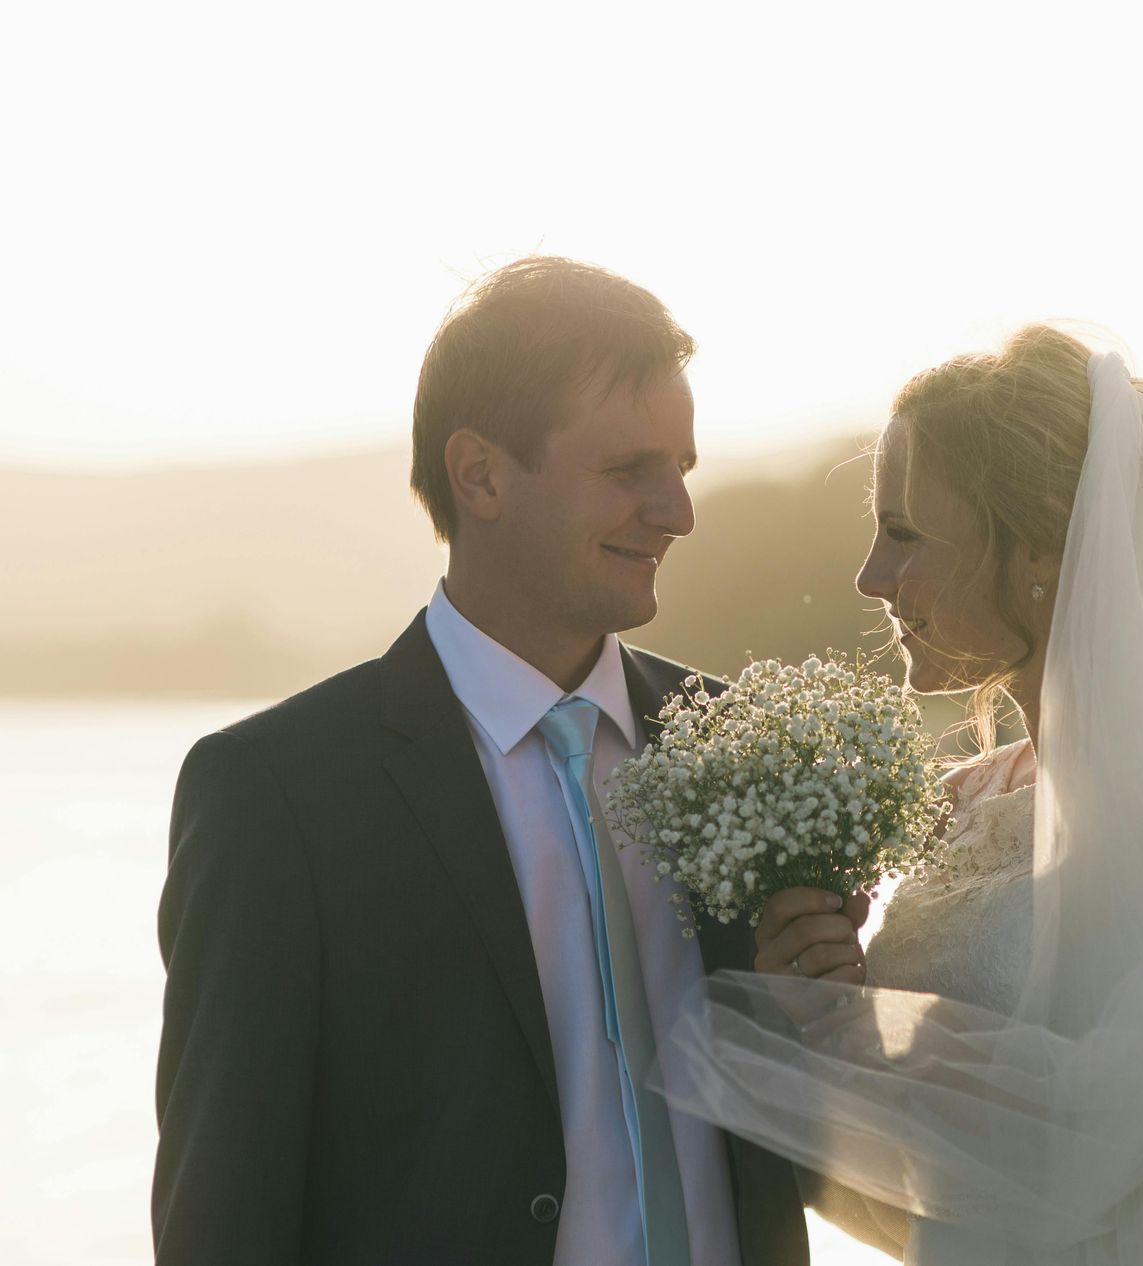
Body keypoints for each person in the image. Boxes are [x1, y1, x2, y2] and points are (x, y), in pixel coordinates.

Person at [154, 256, 851, 1265]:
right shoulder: (279, 796)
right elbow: (223, 1212)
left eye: (682, 470)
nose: (678, 512)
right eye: (629, 472)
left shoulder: (746, 747)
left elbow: (809, 1145)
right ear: (479, 473)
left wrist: (817, 1012)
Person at [698, 325, 1143, 1264]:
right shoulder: (948, 805)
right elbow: (903, 1193)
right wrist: (822, 1036)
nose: (870, 577)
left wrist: (1055, 1141)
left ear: (1041, 547)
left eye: (905, 534)